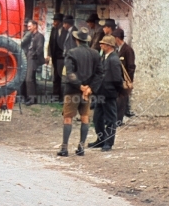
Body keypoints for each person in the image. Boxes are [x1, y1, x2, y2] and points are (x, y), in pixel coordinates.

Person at [57, 28, 103, 156]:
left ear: (77, 40)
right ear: (86, 40)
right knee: (85, 117)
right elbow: (100, 73)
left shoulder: (71, 53)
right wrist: (89, 88)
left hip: (72, 91)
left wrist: (80, 86)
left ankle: (64, 148)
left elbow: (70, 74)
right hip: (87, 92)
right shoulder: (95, 54)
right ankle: (81, 147)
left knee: (67, 118)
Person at [89, 35, 123, 152]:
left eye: (103, 44)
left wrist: (116, 91)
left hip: (109, 93)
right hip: (100, 93)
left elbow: (118, 79)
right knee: (97, 118)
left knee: (110, 119)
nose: (101, 45)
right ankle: (101, 139)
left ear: (109, 46)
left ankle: (108, 142)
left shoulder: (114, 59)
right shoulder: (104, 57)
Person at [113, 28, 136, 123]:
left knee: (122, 100)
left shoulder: (128, 50)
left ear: (117, 38)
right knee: (118, 100)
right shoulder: (117, 49)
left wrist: (129, 80)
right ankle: (116, 118)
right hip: (118, 79)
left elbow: (131, 66)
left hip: (124, 80)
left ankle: (119, 120)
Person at [20, 20, 45, 105]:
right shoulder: (31, 35)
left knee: (29, 79)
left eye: (30, 26)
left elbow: (39, 48)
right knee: (31, 79)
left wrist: (33, 56)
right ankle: (30, 97)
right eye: (28, 27)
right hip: (28, 57)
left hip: (33, 59)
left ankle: (31, 99)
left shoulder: (40, 36)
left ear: (35, 26)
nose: (28, 28)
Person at [45, 13, 66, 102]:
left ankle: (60, 96)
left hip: (62, 57)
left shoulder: (65, 31)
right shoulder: (54, 30)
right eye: (54, 21)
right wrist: (49, 55)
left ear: (60, 22)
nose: (54, 23)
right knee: (55, 76)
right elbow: (50, 42)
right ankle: (56, 95)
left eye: (56, 21)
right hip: (55, 56)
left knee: (60, 76)